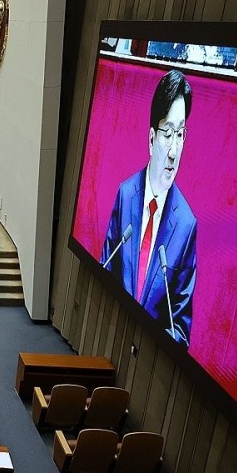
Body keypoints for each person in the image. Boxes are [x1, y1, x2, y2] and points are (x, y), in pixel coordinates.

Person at [100, 69, 196, 346]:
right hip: (111, 330)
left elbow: (181, 326)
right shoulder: (126, 194)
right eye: (168, 133)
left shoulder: (187, 225)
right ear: (152, 140)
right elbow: (105, 269)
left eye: (180, 134)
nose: (174, 150)